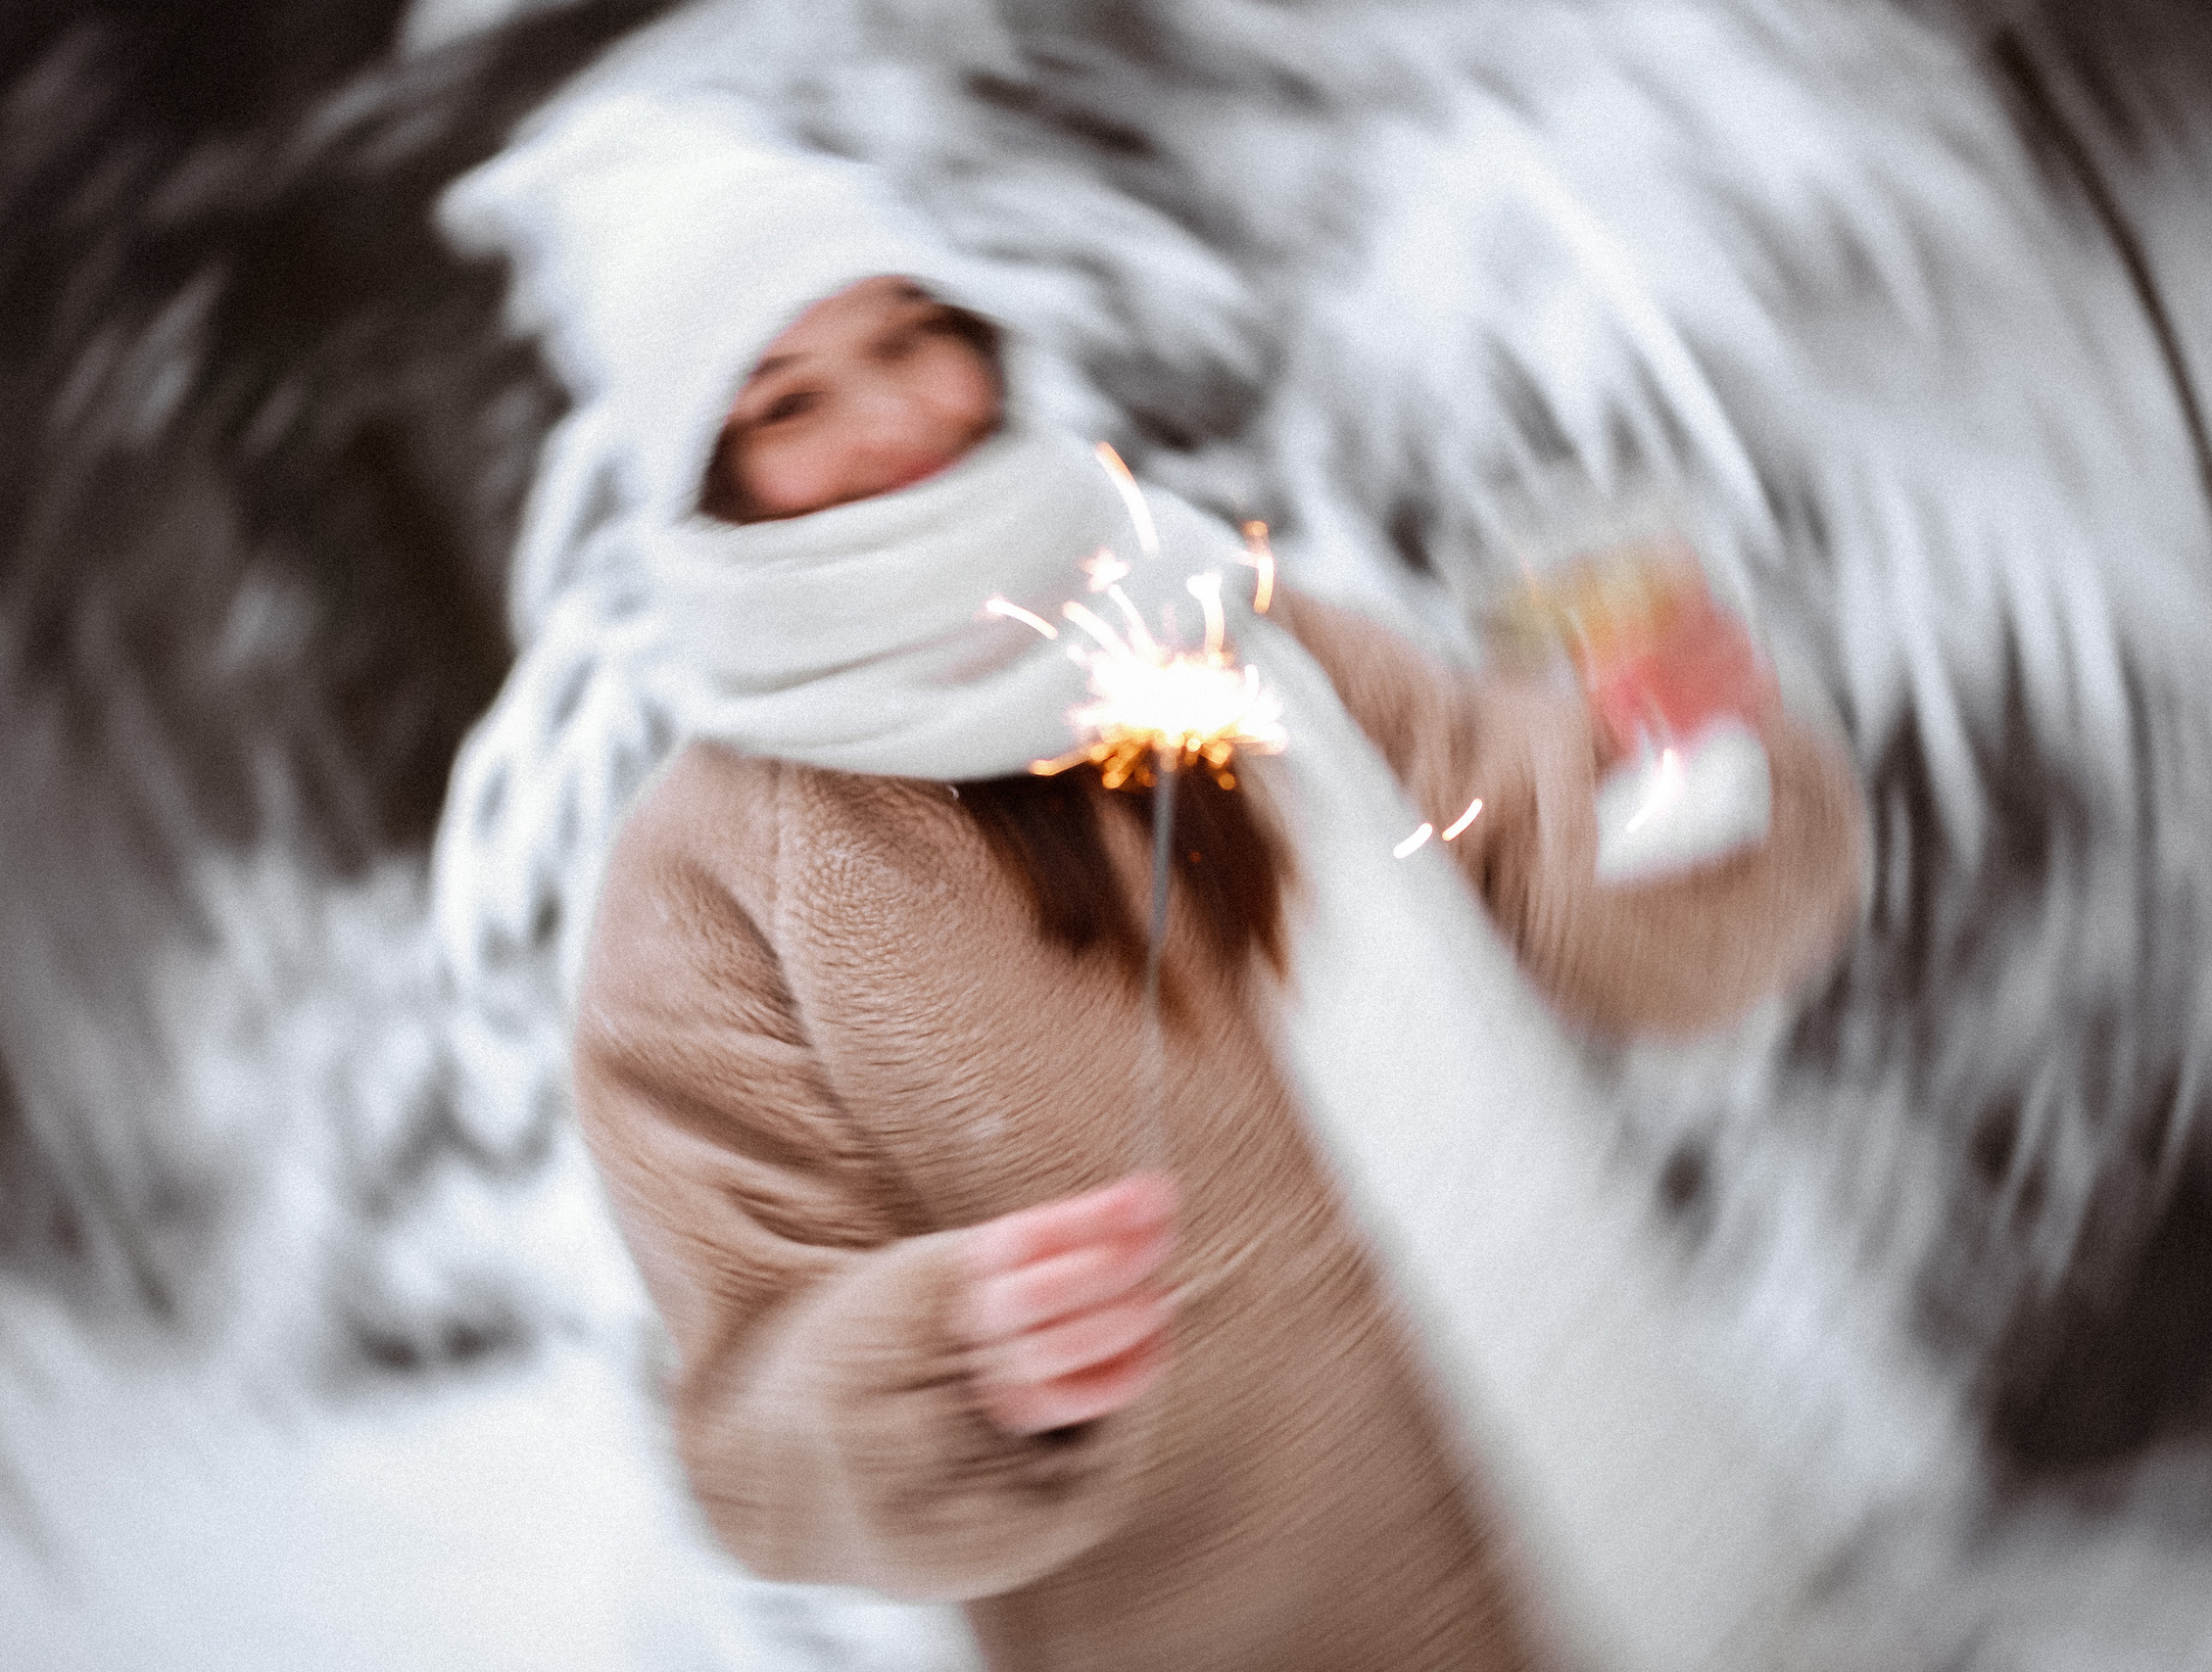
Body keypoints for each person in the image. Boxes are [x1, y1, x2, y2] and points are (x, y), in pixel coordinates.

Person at [443, 89, 1865, 1672]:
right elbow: (751, 1415)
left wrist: (1679, 772)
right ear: (704, 488)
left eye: (912, 335)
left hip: (1636, 1557)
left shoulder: (1234, 623)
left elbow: (1587, 918)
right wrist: (950, 1371)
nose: (894, 421)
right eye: (786, 403)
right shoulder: (707, 891)